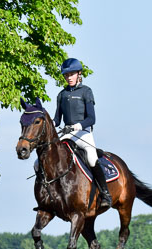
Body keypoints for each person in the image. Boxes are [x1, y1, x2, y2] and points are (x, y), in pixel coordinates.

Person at [53, 58, 112, 208]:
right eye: (66, 75)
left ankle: (105, 194)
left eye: (71, 74)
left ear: (79, 74)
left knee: (92, 158)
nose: (69, 78)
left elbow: (92, 118)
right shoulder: (61, 95)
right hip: (67, 134)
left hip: (83, 133)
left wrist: (78, 126)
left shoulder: (86, 91)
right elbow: (57, 120)